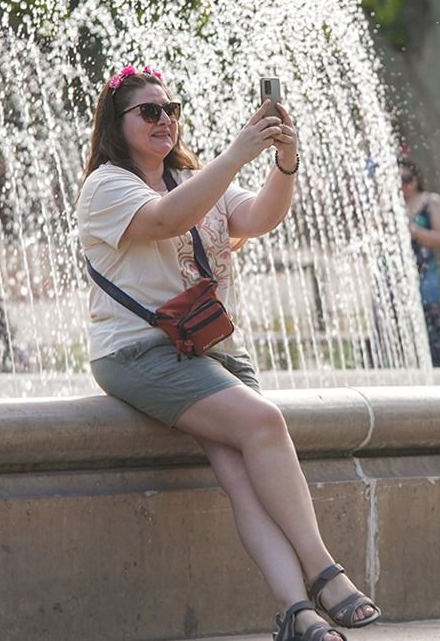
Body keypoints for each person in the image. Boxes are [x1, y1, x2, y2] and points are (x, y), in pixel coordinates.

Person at [76, 65, 379, 641]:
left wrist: (283, 163)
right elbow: (167, 219)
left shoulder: (194, 177)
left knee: (241, 476)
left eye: (171, 109)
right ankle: (323, 570)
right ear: (118, 125)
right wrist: (238, 153)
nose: (165, 120)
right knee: (265, 421)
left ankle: (296, 613)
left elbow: (260, 217)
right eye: (149, 112)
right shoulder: (107, 186)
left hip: (212, 350)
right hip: (142, 353)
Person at [399, 157, 440, 366]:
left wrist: (414, 232)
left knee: (429, 331)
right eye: (397, 181)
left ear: (417, 179)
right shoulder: (388, 203)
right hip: (393, 275)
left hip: (424, 274)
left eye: (407, 179)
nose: (403, 185)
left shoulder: (431, 201)